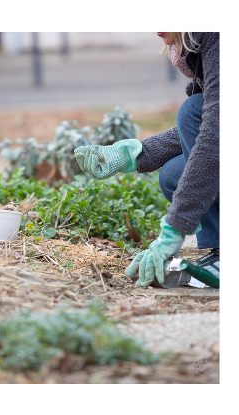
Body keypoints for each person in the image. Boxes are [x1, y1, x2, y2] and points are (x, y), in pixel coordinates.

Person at [74, 32, 219, 287]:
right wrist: (134, 154)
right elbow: (210, 126)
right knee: (174, 175)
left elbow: (213, 134)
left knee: (192, 110)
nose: (157, 29)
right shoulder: (197, 46)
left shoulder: (217, 34)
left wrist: (174, 228)